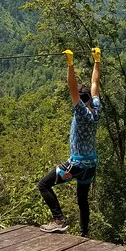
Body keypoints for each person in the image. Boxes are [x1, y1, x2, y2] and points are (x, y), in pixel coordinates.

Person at [37, 47, 101, 237]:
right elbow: (95, 83)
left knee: (43, 185)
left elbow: (72, 87)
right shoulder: (96, 109)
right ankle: (85, 233)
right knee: (82, 199)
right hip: (91, 165)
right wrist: (97, 61)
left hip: (77, 164)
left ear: (80, 102)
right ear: (89, 98)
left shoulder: (81, 113)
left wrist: (70, 65)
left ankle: (58, 219)